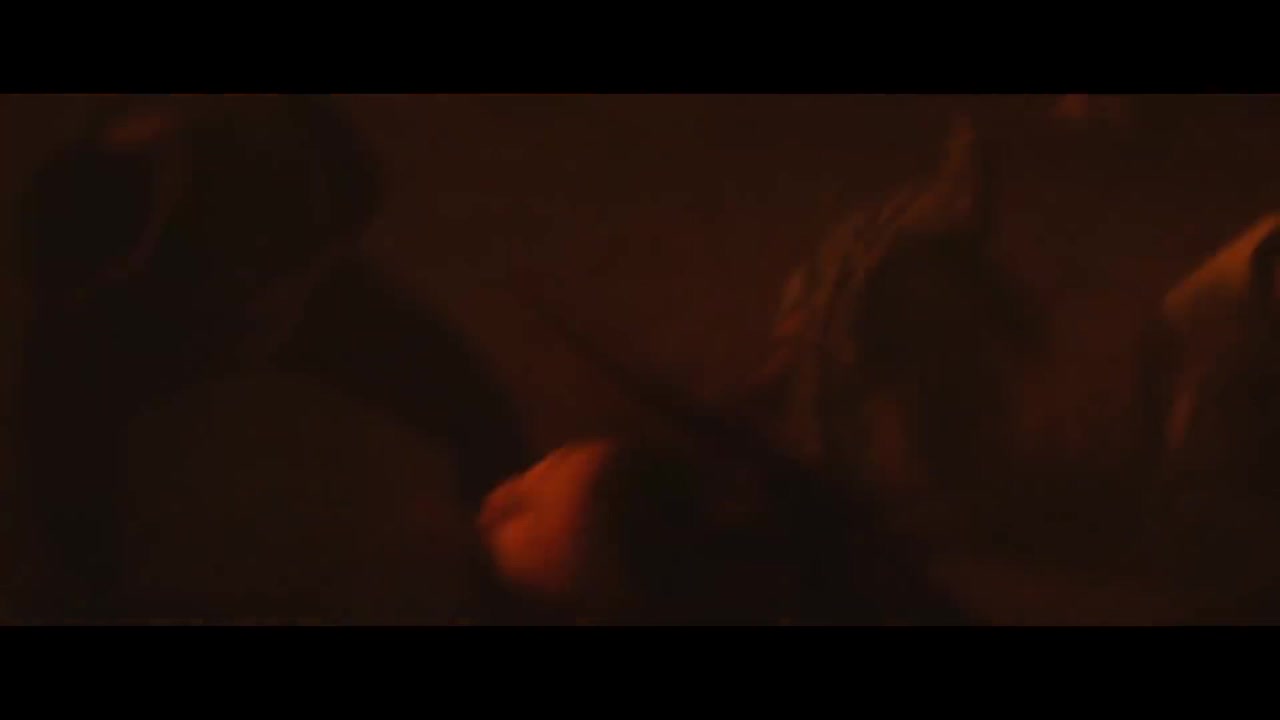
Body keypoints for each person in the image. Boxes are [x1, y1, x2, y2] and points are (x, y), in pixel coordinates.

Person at [13, 95, 528, 622]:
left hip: (287, 284)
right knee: (65, 408)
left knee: (460, 398)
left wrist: (280, 300)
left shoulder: (273, 167)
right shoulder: (89, 271)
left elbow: (355, 191)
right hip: (215, 297)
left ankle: (523, 554)